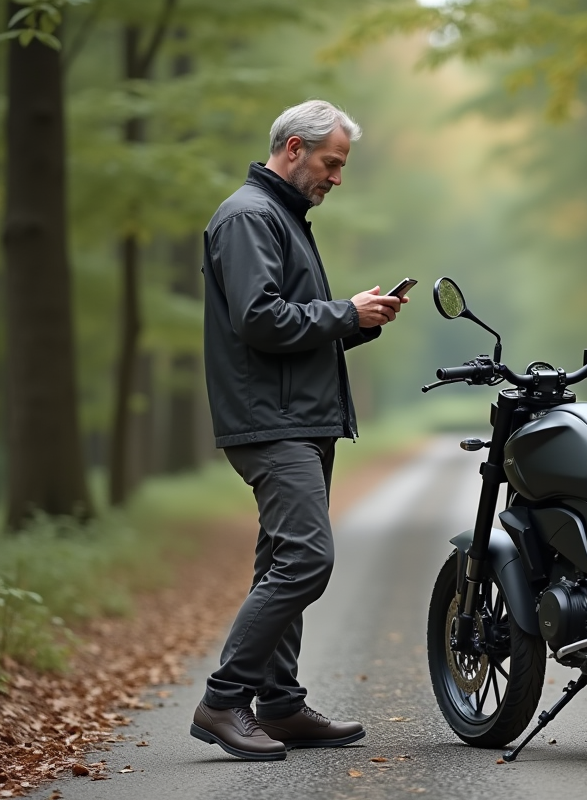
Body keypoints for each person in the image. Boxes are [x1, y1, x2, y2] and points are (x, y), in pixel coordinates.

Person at [190, 100, 406, 761]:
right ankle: (224, 700)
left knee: (281, 560)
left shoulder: (281, 217)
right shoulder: (249, 217)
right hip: (271, 422)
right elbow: (259, 320)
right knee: (307, 559)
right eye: (331, 163)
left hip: (299, 418)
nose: (337, 177)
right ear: (293, 148)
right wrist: (344, 312)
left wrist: (358, 322)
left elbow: (292, 327)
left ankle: (280, 704)